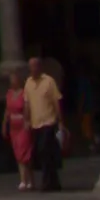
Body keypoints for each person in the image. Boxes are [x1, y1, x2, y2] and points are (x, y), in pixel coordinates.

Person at [24, 55, 64, 192]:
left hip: (48, 121)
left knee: (44, 149)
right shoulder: (28, 83)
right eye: (30, 67)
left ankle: (46, 182)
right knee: (46, 154)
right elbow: (27, 103)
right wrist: (26, 120)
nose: (33, 70)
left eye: (35, 66)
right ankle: (54, 181)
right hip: (36, 124)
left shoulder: (49, 81)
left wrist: (60, 121)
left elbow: (56, 101)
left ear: (40, 67)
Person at [2, 69, 34, 190]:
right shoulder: (9, 94)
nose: (13, 81)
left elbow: (27, 108)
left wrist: (27, 121)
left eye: (14, 79)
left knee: (24, 152)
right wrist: (4, 124)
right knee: (18, 152)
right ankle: (28, 179)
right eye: (11, 79)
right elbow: (7, 110)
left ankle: (24, 180)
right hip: (13, 126)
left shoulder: (24, 93)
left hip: (23, 125)